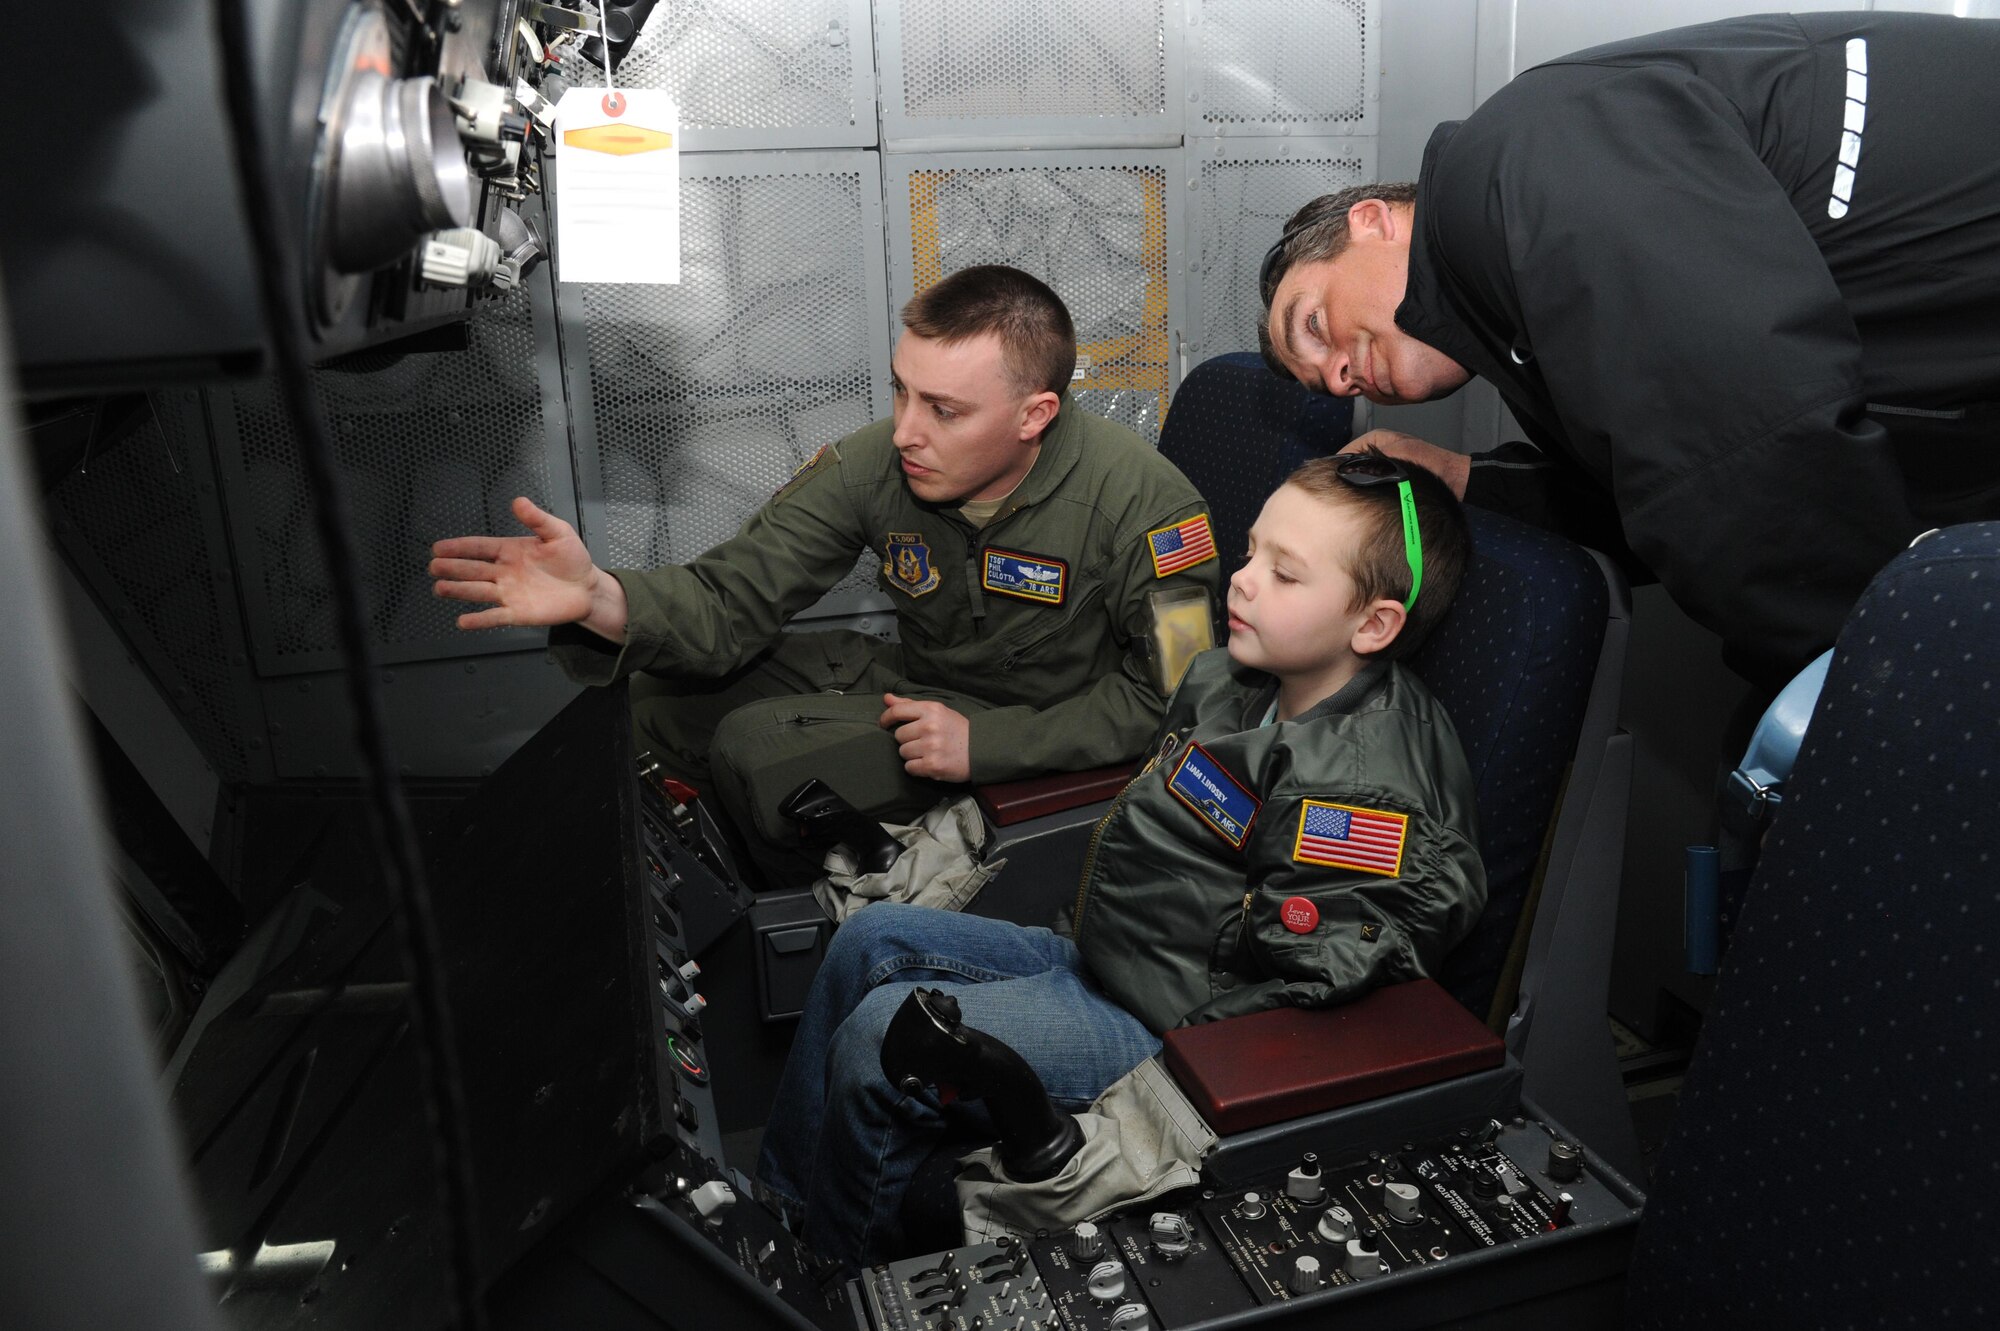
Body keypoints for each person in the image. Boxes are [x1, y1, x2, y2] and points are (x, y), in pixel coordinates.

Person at [756, 451, 1485, 1269]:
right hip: (1111, 957)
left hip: (1170, 1031)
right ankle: (783, 1213)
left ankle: (837, 1273)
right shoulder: (1232, 679)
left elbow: (1314, 990)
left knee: (877, 1040)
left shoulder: (1355, 794)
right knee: (870, 938)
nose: (1241, 582)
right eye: (1250, 553)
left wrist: (1166, 1088)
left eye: (1284, 575)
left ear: (1373, 625)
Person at [1256, 11, 2000, 690]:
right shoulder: (1515, 314)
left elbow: (1746, 459)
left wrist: (1875, 694)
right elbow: (1658, 492)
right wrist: (1460, 478)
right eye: (1326, 384)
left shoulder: (1523, 156)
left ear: (1371, 220)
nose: (1339, 377)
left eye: (1312, 324)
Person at [430, 266, 1220, 887]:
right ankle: (702, 897)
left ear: (1034, 415)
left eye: (943, 410)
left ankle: (818, 925)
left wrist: (988, 743)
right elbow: (732, 597)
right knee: (654, 705)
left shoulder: (1146, 509)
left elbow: (1178, 700)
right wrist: (602, 597)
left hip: (1042, 731)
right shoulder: (878, 466)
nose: (905, 430)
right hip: (923, 683)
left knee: (759, 752)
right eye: (901, 390)